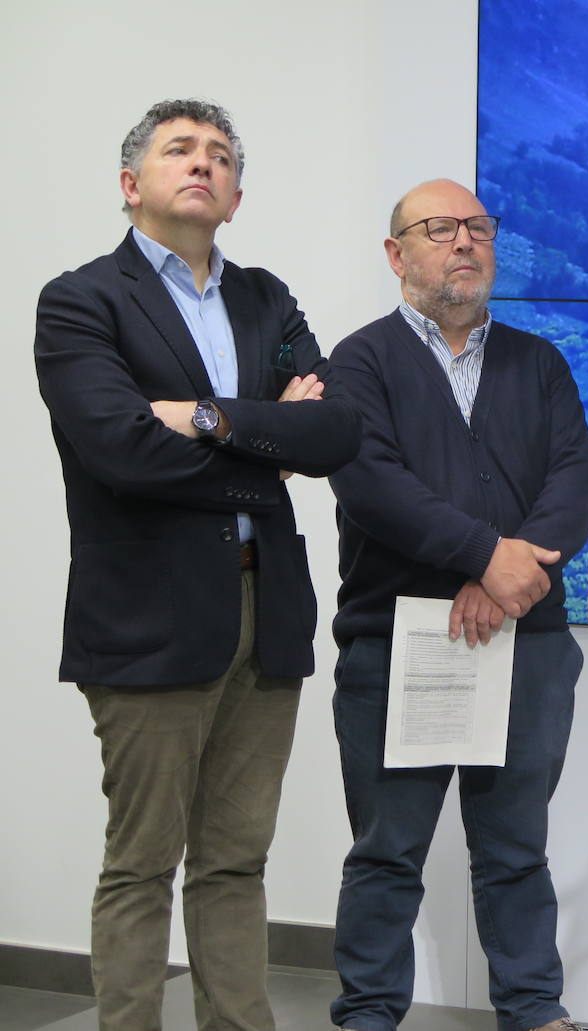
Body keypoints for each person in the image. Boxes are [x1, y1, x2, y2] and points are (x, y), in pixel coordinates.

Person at [33, 99, 360, 1030]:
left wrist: (206, 415)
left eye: (220, 155)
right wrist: (267, 436)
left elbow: (335, 429)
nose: (202, 164)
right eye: (181, 150)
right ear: (133, 185)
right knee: (142, 861)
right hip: (146, 615)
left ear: (238, 196)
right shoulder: (81, 300)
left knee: (235, 859)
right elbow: (121, 451)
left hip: (270, 611)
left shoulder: (266, 297)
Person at [325, 178, 588, 1031]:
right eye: (439, 229)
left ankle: (533, 1010)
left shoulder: (539, 361)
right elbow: (372, 484)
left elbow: (576, 477)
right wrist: (486, 557)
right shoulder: (359, 362)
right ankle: (368, 1013)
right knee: (387, 852)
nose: (464, 242)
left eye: (478, 226)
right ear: (395, 253)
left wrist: (506, 579)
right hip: (398, 642)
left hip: (529, 644)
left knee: (516, 850)